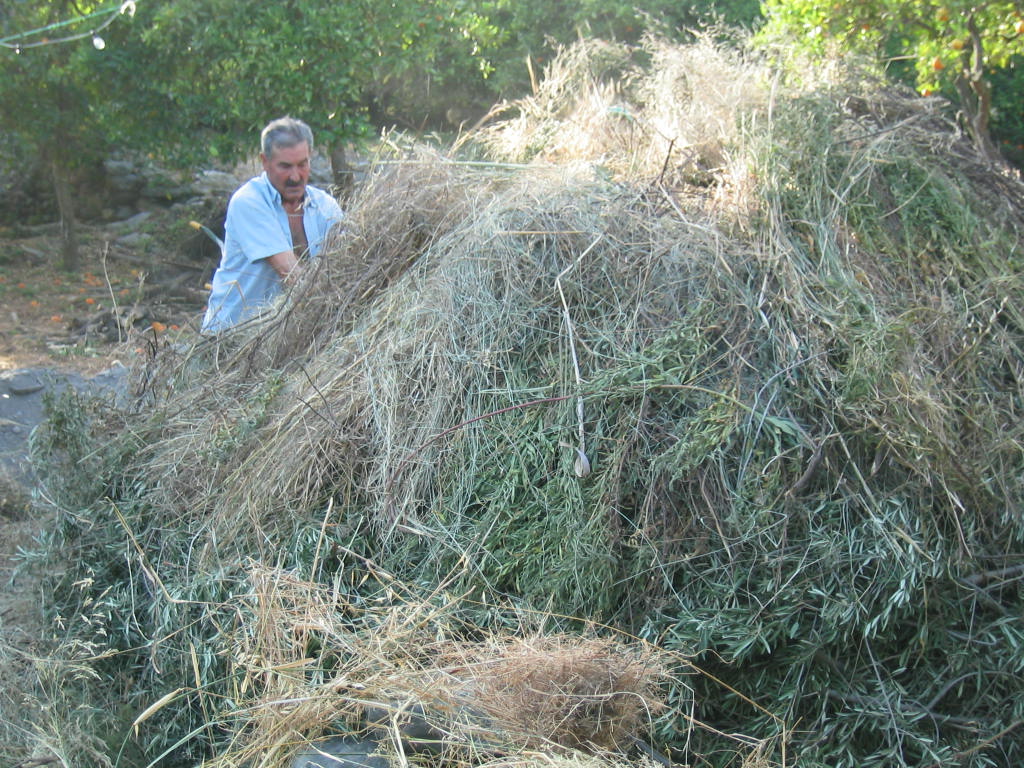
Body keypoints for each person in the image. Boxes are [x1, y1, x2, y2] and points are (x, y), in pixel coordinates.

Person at [201, 116, 344, 332]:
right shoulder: (248, 202)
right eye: (285, 166)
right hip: (231, 338)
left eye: (302, 164)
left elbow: (344, 265)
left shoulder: (326, 207)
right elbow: (290, 273)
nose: (295, 176)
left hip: (284, 338)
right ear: (265, 162)